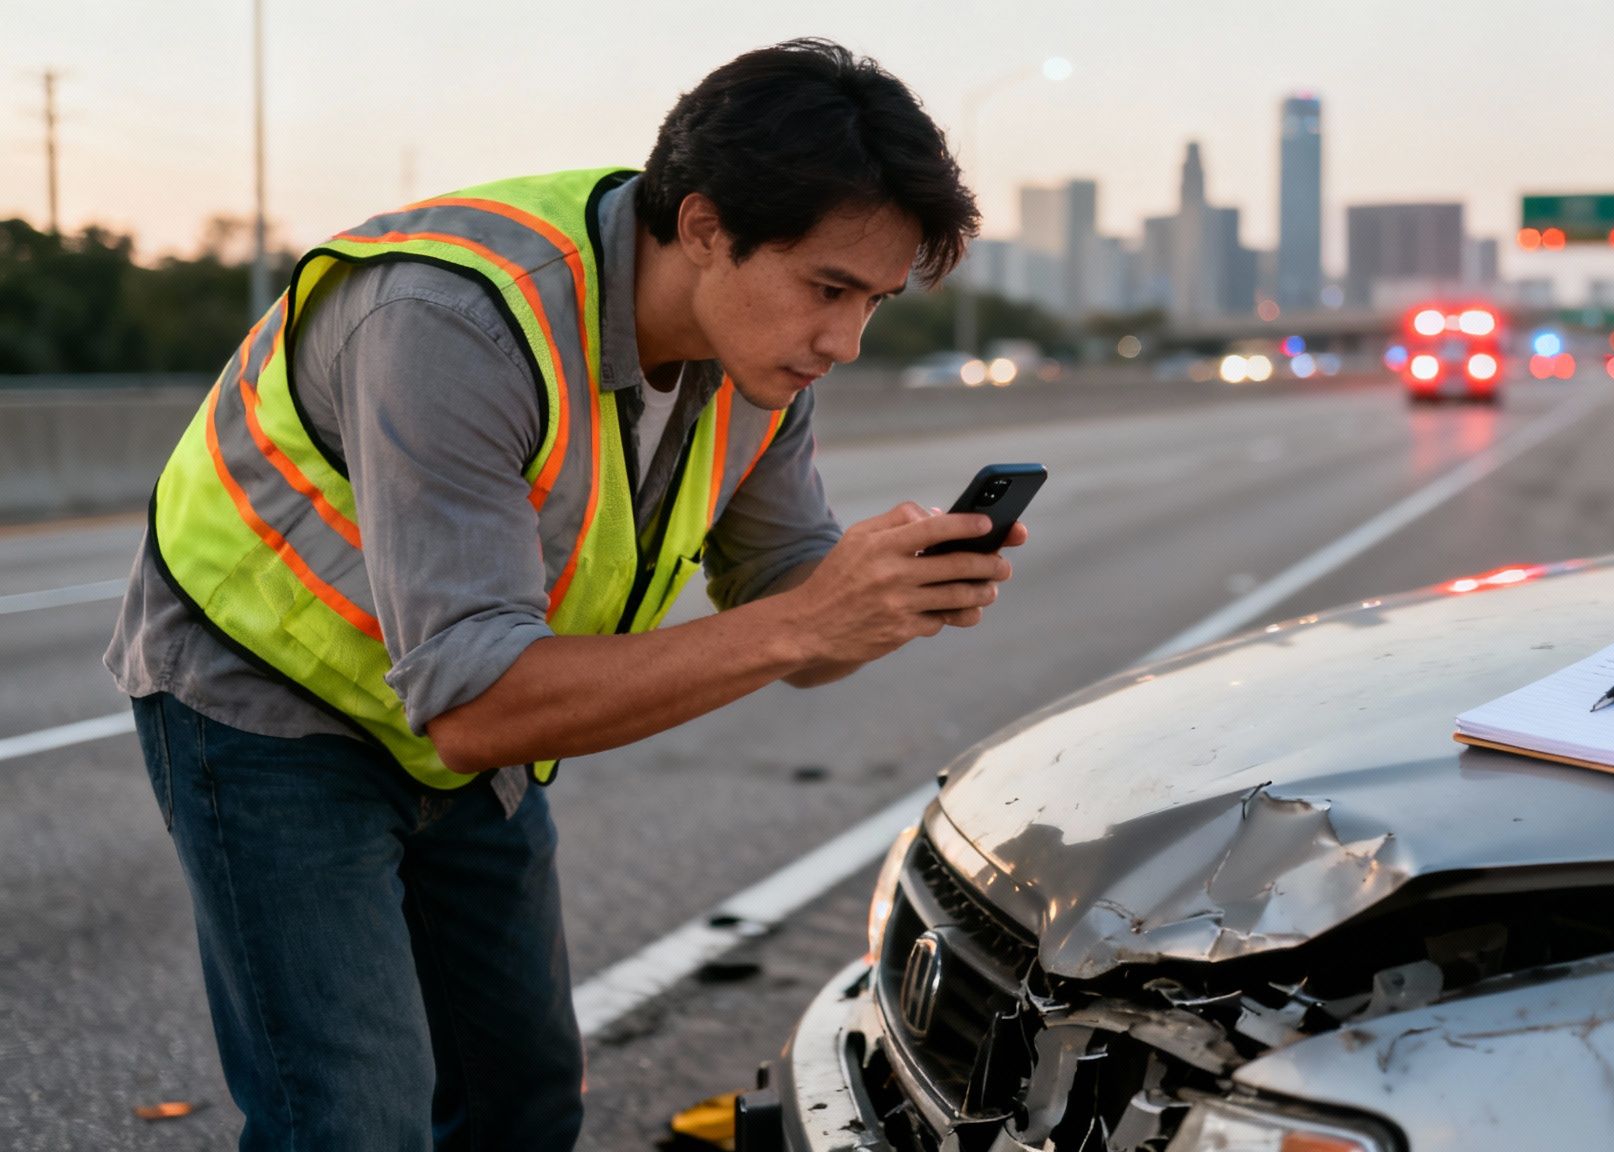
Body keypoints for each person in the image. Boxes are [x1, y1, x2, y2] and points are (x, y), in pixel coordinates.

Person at [105, 38, 1018, 1150]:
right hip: (266, 698)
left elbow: (790, 613)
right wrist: (805, 617)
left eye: (872, 300)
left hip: (470, 705)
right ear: (701, 226)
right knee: (351, 1121)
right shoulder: (451, 322)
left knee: (521, 1098)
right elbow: (482, 705)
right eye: (827, 288)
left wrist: (882, 603)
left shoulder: (762, 363)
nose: (845, 340)